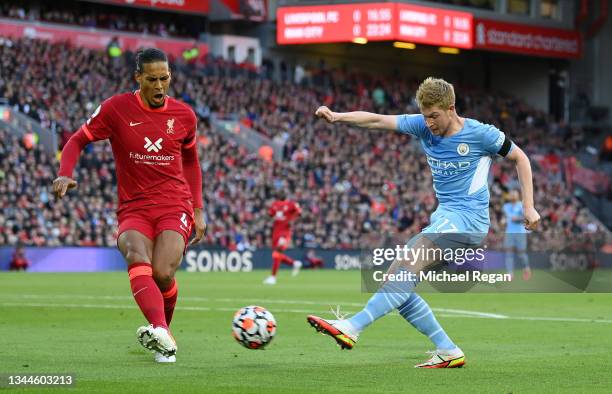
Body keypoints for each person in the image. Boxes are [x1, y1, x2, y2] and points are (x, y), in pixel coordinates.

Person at [307, 77, 540, 368]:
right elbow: (377, 120)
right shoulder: (421, 125)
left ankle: (352, 326)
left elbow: (521, 158)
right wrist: (338, 116)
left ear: (451, 108)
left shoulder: (482, 134)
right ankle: (447, 349)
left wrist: (529, 206)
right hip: (445, 219)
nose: (428, 123)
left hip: (468, 222)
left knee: (405, 265)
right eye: (425, 115)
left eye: (434, 116)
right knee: (395, 277)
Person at [52, 48, 205, 363]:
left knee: (163, 273)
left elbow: (191, 162)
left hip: (174, 202)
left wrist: (198, 208)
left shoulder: (184, 115)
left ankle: (163, 333)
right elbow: (76, 140)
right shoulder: (116, 109)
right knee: (136, 256)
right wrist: (65, 174)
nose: (160, 86)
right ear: (138, 78)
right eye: (152, 79)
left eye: (165, 78)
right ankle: (162, 333)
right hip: (133, 207)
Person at [263, 190, 302, 285]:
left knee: (277, 253)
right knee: (276, 255)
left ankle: (273, 277)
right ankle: (294, 263)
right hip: (276, 232)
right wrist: (267, 216)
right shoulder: (275, 204)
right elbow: (269, 215)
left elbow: (299, 213)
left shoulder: (291, 204)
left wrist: (292, 220)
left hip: (285, 232)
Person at [503, 190, 531, 280]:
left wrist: (519, 218)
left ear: (518, 196)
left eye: (514, 195)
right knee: (509, 253)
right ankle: (510, 273)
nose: (513, 196)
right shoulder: (506, 206)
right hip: (509, 233)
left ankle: (526, 268)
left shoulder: (521, 206)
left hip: (520, 233)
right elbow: (509, 218)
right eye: (511, 195)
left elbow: (526, 217)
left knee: (521, 253)